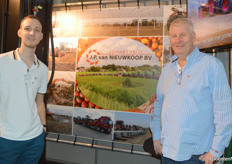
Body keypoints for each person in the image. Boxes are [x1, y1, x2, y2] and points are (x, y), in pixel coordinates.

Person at [150, 18, 232, 164]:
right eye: (174, 36)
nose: (178, 40)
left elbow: (224, 112)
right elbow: (159, 104)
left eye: (183, 35)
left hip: (196, 157)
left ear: (193, 36)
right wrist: (156, 135)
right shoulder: (168, 70)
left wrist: (215, 151)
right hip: (167, 153)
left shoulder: (211, 66)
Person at [0, 15, 48, 164]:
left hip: (34, 139)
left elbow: (40, 102)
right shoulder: (2, 61)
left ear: (41, 36)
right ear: (19, 32)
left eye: (36, 30)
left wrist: (44, 128)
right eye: (27, 29)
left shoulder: (43, 69)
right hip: (6, 139)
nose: (32, 33)